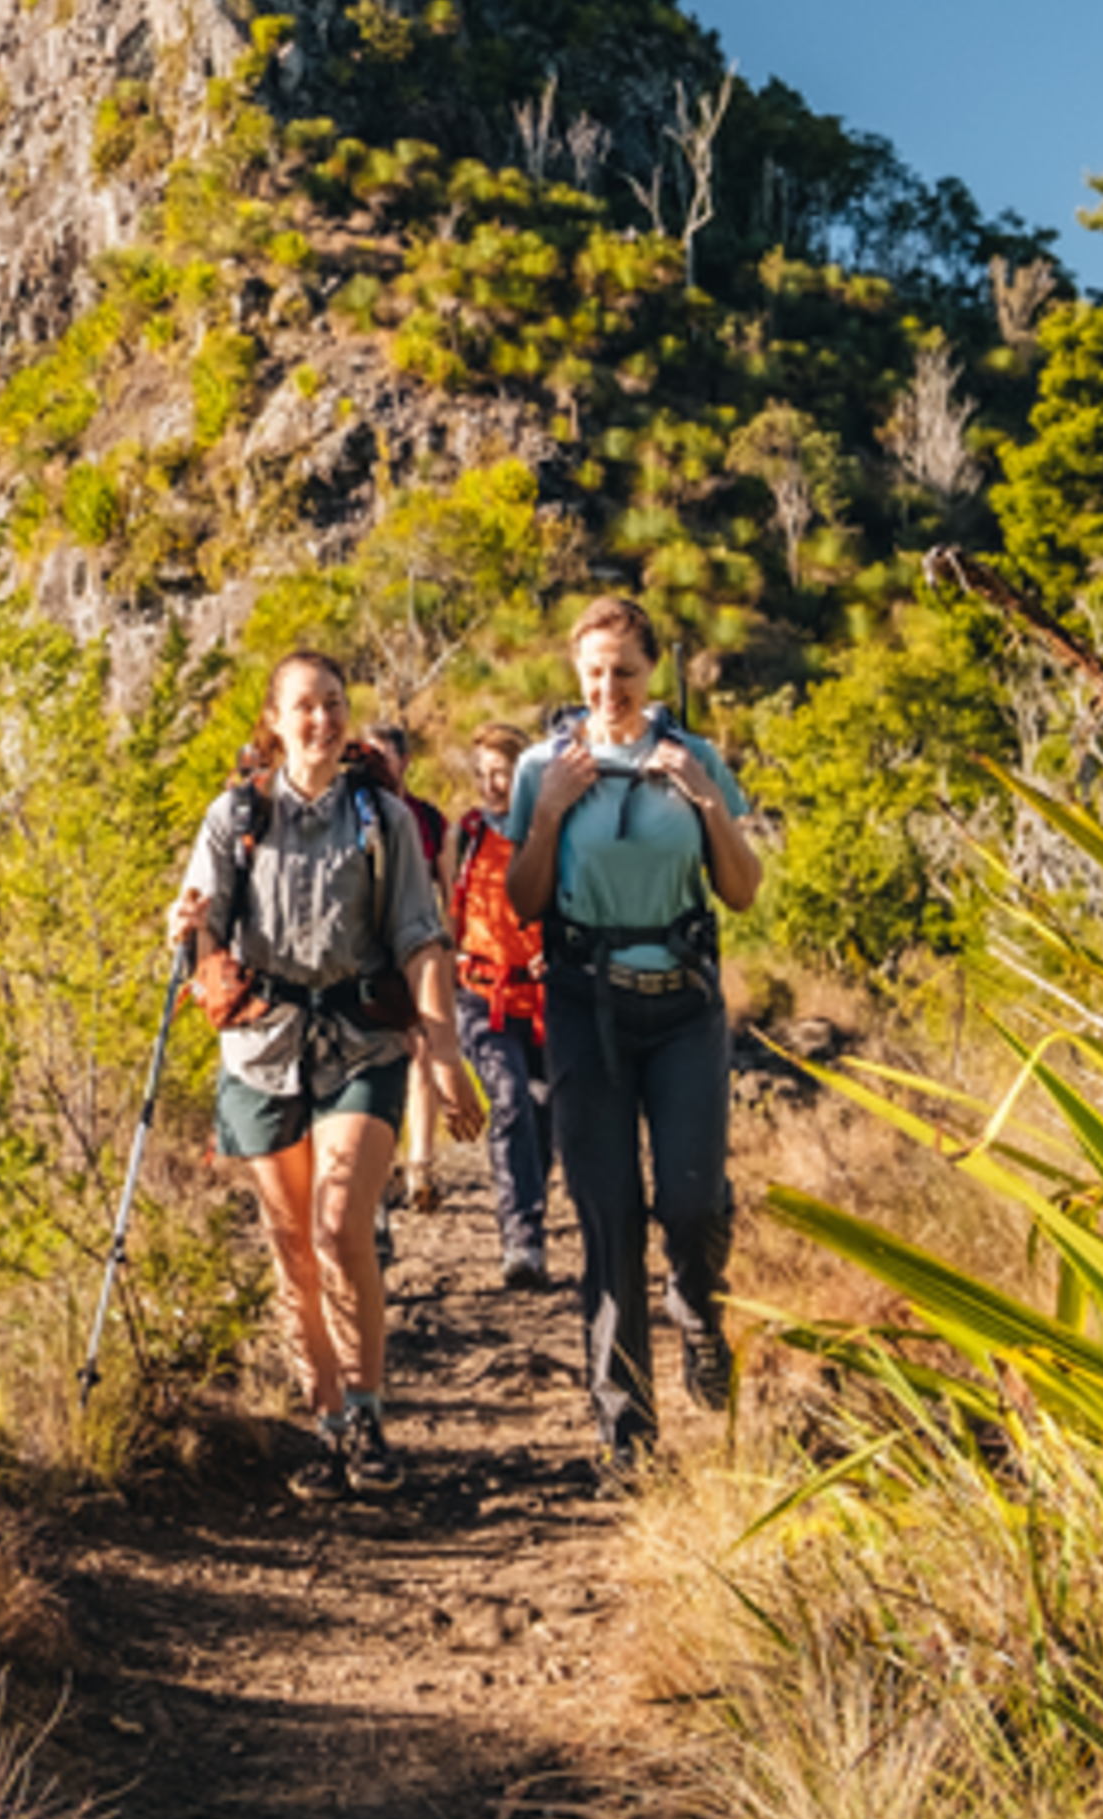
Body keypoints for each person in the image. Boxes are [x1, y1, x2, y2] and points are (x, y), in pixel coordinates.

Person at [168, 652, 474, 1500]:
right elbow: (202, 926)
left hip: (360, 1040)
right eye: (305, 706)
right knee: (292, 1245)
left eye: (335, 705)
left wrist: (442, 1052)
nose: (323, 721)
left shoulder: (383, 818)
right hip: (265, 1048)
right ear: (275, 718)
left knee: (341, 1226)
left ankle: (369, 1416)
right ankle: (327, 1424)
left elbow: (420, 932)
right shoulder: (235, 816)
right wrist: (186, 927)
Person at [505, 598, 763, 1468]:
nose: (608, 687)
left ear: (652, 672)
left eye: (624, 670)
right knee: (608, 1215)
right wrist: (549, 814)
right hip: (586, 1006)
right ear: (575, 676)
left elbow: (743, 890)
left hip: (684, 1005)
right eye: (594, 672)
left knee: (690, 1203)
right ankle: (629, 1436)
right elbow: (524, 900)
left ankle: (696, 1303)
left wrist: (706, 803)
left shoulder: (694, 759)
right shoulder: (545, 764)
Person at [441, 722, 556, 1293]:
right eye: (483, 774)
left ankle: (530, 1219)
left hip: (543, 999)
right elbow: (444, 910)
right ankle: (521, 1240)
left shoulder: (551, 832)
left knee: (542, 1108)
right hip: (481, 995)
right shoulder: (466, 835)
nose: (491, 786)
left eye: (502, 774)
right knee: (508, 1098)